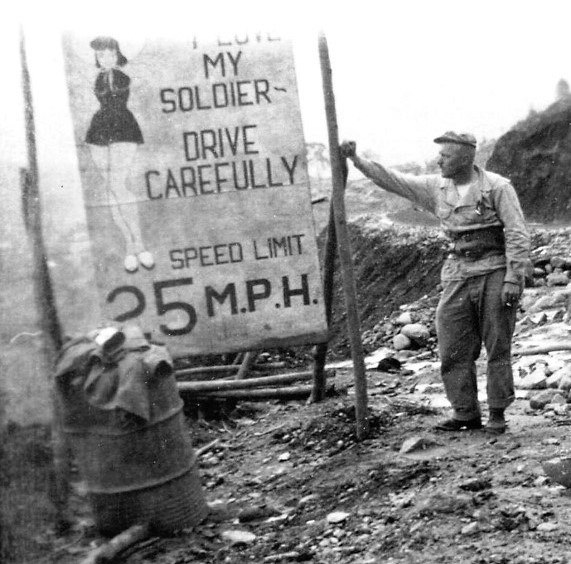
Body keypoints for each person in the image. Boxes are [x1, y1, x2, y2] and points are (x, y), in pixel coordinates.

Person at [340, 132, 531, 434]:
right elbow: (393, 180)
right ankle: (466, 413)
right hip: (457, 272)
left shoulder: (497, 187)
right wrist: (357, 160)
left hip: (494, 269)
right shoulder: (435, 187)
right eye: (439, 155)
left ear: (466, 158)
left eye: (446, 156)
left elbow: (517, 232)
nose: (439, 160)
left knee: (497, 344)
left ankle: (497, 412)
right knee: (452, 345)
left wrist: (513, 277)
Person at [86, 36, 154, 274]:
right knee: (110, 189)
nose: (105, 58)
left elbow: (117, 92)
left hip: (123, 126)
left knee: (118, 185)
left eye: (110, 54)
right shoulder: (98, 77)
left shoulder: (121, 77)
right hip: (99, 129)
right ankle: (129, 247)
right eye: (101, 55)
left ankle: (140, 245)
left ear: (118, 55)